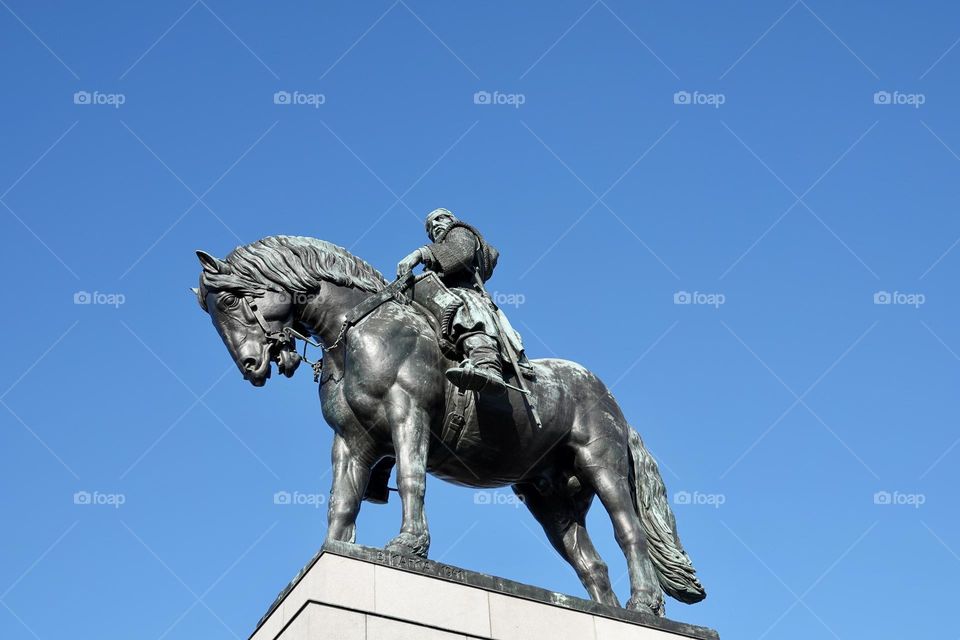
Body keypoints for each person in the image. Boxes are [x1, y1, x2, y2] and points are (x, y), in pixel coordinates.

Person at [396, 208, 522, 394]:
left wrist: (420, 253)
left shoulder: (460, 231)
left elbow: (461, 253)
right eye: (430, 227)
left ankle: (487, 364)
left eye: (439, 219)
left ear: (451, 219)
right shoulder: (437, 256)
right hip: (441, 296)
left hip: (464, 293)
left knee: (463, 308)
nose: (435, 225)